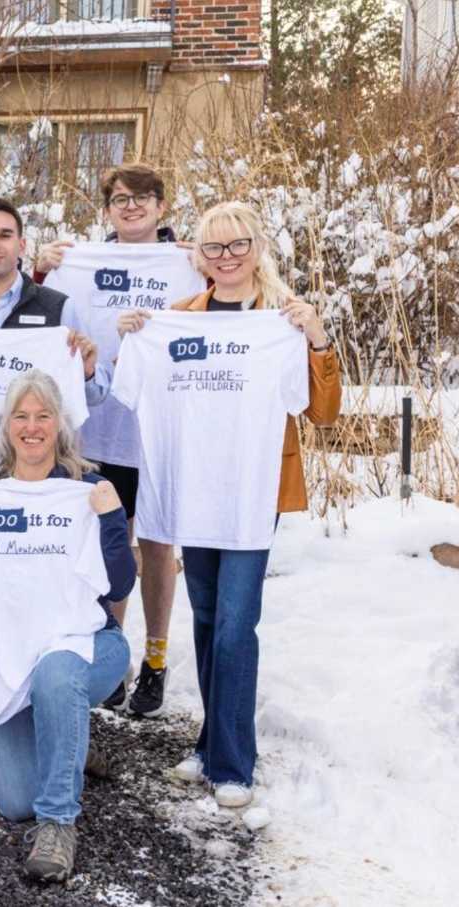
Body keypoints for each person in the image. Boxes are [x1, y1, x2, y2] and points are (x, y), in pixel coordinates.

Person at [116, 200, 341, 807]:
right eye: (213, 248)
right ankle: (212, 743)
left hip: (251, 491)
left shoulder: (281, 320)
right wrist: (135, 337)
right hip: (196, 489)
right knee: (210, 618)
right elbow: (135, 388)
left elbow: (321, 413)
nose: (227, 257)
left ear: (257, 247)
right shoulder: (178, 320)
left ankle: (235, 765)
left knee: (238, 626)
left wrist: (317, 339)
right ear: (199, 257)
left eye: (238, 244)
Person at [0, 370, 134, 883]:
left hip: (87, 648)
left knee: (56, 674)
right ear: (6, 427)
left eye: (43, 415)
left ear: (59, 425)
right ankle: (70, 739)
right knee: (14, 801)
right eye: (21, 416)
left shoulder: (86, 489)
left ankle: (60, 824)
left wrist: (112, 520)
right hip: (12, 663)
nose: (32, 426)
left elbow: (117, 585)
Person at [0, 197, 105, 767]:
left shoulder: (56, 308)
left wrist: (84, 367)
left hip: (45, 475)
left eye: (5, 234)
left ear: (21, 245)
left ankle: (63, 710)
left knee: (55, 593)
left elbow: (92, 395)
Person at [34, 163, 192, 716]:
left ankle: (155, 659)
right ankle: (114, 654)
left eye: (144, 197)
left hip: (160, 426)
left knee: (157, 546)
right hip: (100, 426)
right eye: (121, 198)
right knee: (109, 540)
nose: (131, 206)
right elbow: (39, 314)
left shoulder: (189, 265)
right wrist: (41, 269)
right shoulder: (82, 263)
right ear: (107, 210)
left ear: (162, 207)